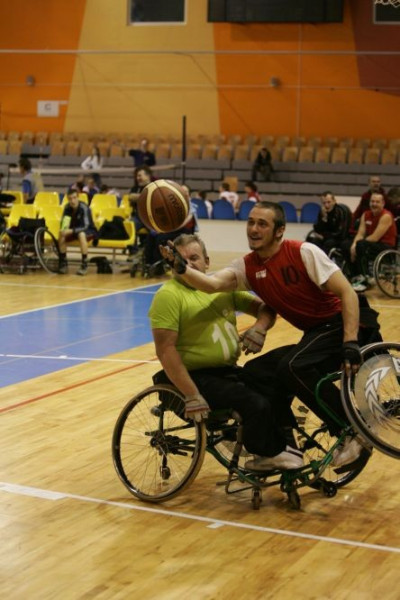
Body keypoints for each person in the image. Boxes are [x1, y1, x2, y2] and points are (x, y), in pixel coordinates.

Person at [161, 201, 382, 469]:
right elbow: (212, 285)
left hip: (346, 324)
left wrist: (350, 341)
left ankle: (354, 431)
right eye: (251, 222)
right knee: (256, 372)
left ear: (279, 231)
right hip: (316, 334)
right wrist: (182, 269)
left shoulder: (304, 252)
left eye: (262, 224)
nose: (253, 228)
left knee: (292, 366)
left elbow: (348, 292)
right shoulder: (247, 267)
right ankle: (283, 446)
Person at [148, 233, 303, 471]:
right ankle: (268, 453)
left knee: (275, 383)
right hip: (195, 377)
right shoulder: (168, 295)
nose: (189, 264)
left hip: (227, 372)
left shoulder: (222, 289)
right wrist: (190, 393)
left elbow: (266, 308)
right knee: (254, 403)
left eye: (195, 258)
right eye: (183, 259)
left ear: (207, 262)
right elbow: (165, 350)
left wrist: (260, 328)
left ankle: (284, 447)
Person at [343, 192, 397, 292]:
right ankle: (356, 276)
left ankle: (366, 277)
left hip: (385, 246)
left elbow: (375, 238)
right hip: (371, 244)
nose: (374, 204)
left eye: (377, 202)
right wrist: (353, 246)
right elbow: (360, 233)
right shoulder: (366, 214)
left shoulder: (386, 216)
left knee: (361, 245)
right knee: (346, 245)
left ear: (383, 203)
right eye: (372, 201)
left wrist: (357, 245)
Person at [58, 189, 98, 276]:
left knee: (81, 234)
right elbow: (64, 222)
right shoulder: (67, 207)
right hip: (74, 230)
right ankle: (63, 263)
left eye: (74, 198)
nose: (72, 201)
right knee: (61, 235)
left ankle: (84, 264)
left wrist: (72, 231)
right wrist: (64, 229)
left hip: (89, 231)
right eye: (70, 199)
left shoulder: (84, 208)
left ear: (78, 197)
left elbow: (86, 226)